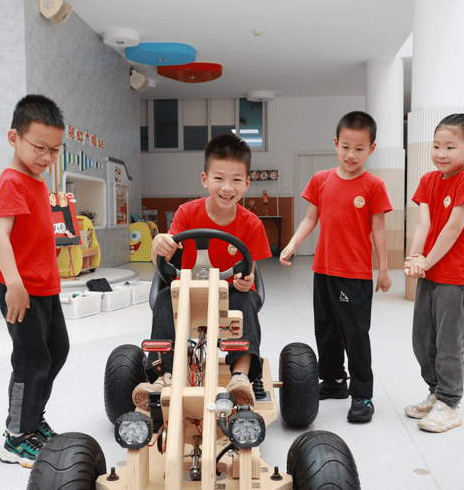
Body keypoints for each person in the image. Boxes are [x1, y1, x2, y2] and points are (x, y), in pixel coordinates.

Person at [135, 134, 271, 410]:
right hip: (189, 290)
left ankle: (241, 377)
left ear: (247, 183)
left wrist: (244, 282)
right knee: (165, 299)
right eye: (219, 178)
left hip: (231, 293)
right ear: (205, 179)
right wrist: (158, 244)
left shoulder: (252, 224)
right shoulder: (187, 213)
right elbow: (162, 258)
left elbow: (250, 272)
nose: (227, 187)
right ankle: (163, 376)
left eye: (236, 180)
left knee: (246, 301)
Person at [279, 111, 392, 423]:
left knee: (354, 335)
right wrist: (292, 244)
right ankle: (333, 381)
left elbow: (379, 229)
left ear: (371, 149)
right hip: (323, 270)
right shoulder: (321, 180)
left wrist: (383, 270)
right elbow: (310, 218)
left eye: (359, 148)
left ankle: (363, 395)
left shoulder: (373, 185)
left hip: (354, 275)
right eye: (345, 147)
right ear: (335, 144)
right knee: (326, 331)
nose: (351, 154)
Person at [0, 94, 69, 468]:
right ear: (14, 138)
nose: (47, 157)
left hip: (43, 288)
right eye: (40, 147)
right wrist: (14, 284)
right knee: (30, 361)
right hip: (20, 288)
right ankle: (17, 436)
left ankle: (33, 419)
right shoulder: (12, 181)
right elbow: (0, 235)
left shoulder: (36, 181)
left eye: (54, 150)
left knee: (57, 350)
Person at [403, 114, 464, 433]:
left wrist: (425, 261)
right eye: (436, 146)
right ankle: (436, 392)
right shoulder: (428, 180)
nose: (441, 153)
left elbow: (453, 228)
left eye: (450, 147)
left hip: (458, 277)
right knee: (422, 339)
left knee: (449, 343)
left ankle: (450, 404)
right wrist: (415, 256)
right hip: (432, 274)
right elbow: (423, 223)